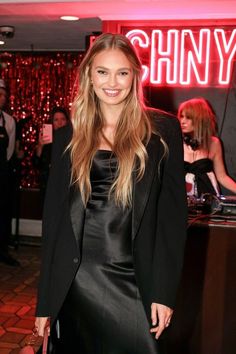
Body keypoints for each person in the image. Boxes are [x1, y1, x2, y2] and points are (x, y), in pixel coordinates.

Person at [35, 33, 187, 354]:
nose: (112, 82)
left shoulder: (163, 131)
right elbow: (55, 223)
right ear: (89, 76)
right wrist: (45, 301)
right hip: (77, 278)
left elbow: (172, 220)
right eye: (102, 71)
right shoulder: (68, 136)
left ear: (135, 75)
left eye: (122, 72)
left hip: (135, 277)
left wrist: (164, 291)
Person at [178, 97, 236, 198]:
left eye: (188, 117)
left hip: (207, 198)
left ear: (200, 119)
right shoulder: (175, 141)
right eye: (181, 116)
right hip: (180, 198)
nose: (182, 121)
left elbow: (222, 177)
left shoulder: (213, 143)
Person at [33, 107, 70, 209]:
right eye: (56, 120)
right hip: (48, 186)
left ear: (67, 122)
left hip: (66, 187)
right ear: (51, 123)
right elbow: (37, 164)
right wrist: (40, 146)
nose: (60, 123)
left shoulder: (73, 141)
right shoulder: (47, 141)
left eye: (63, 119)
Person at [0, 78, 20, 266]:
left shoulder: (9, 121)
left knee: (4, 212)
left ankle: (3, 250)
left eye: (3, 95)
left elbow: (10, 149)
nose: (1, 97)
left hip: (2, 172)